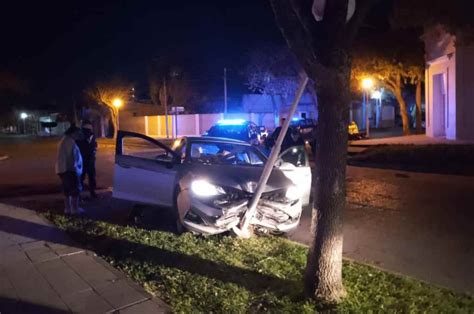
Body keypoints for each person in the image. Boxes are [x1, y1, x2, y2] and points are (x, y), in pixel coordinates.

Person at [55, 125, 84, 215]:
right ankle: (75, 209)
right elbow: (74, 158)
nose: (79, 135)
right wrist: (75, 169)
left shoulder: (64, 141)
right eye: (77, 133)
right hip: (70, 170)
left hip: (62, 169)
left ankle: (67, 208)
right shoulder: (69, 142)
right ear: (73, 133)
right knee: (75, 190)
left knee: (67, 190)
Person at [76, 120, 98, 198]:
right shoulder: (87, 135)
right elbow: (94, 145)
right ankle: (91, 192)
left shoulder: (79, 135)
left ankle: (80, 194)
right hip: (87, 159)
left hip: (84, 160)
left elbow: (94, 145)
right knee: (89, 177)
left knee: (82, 177)